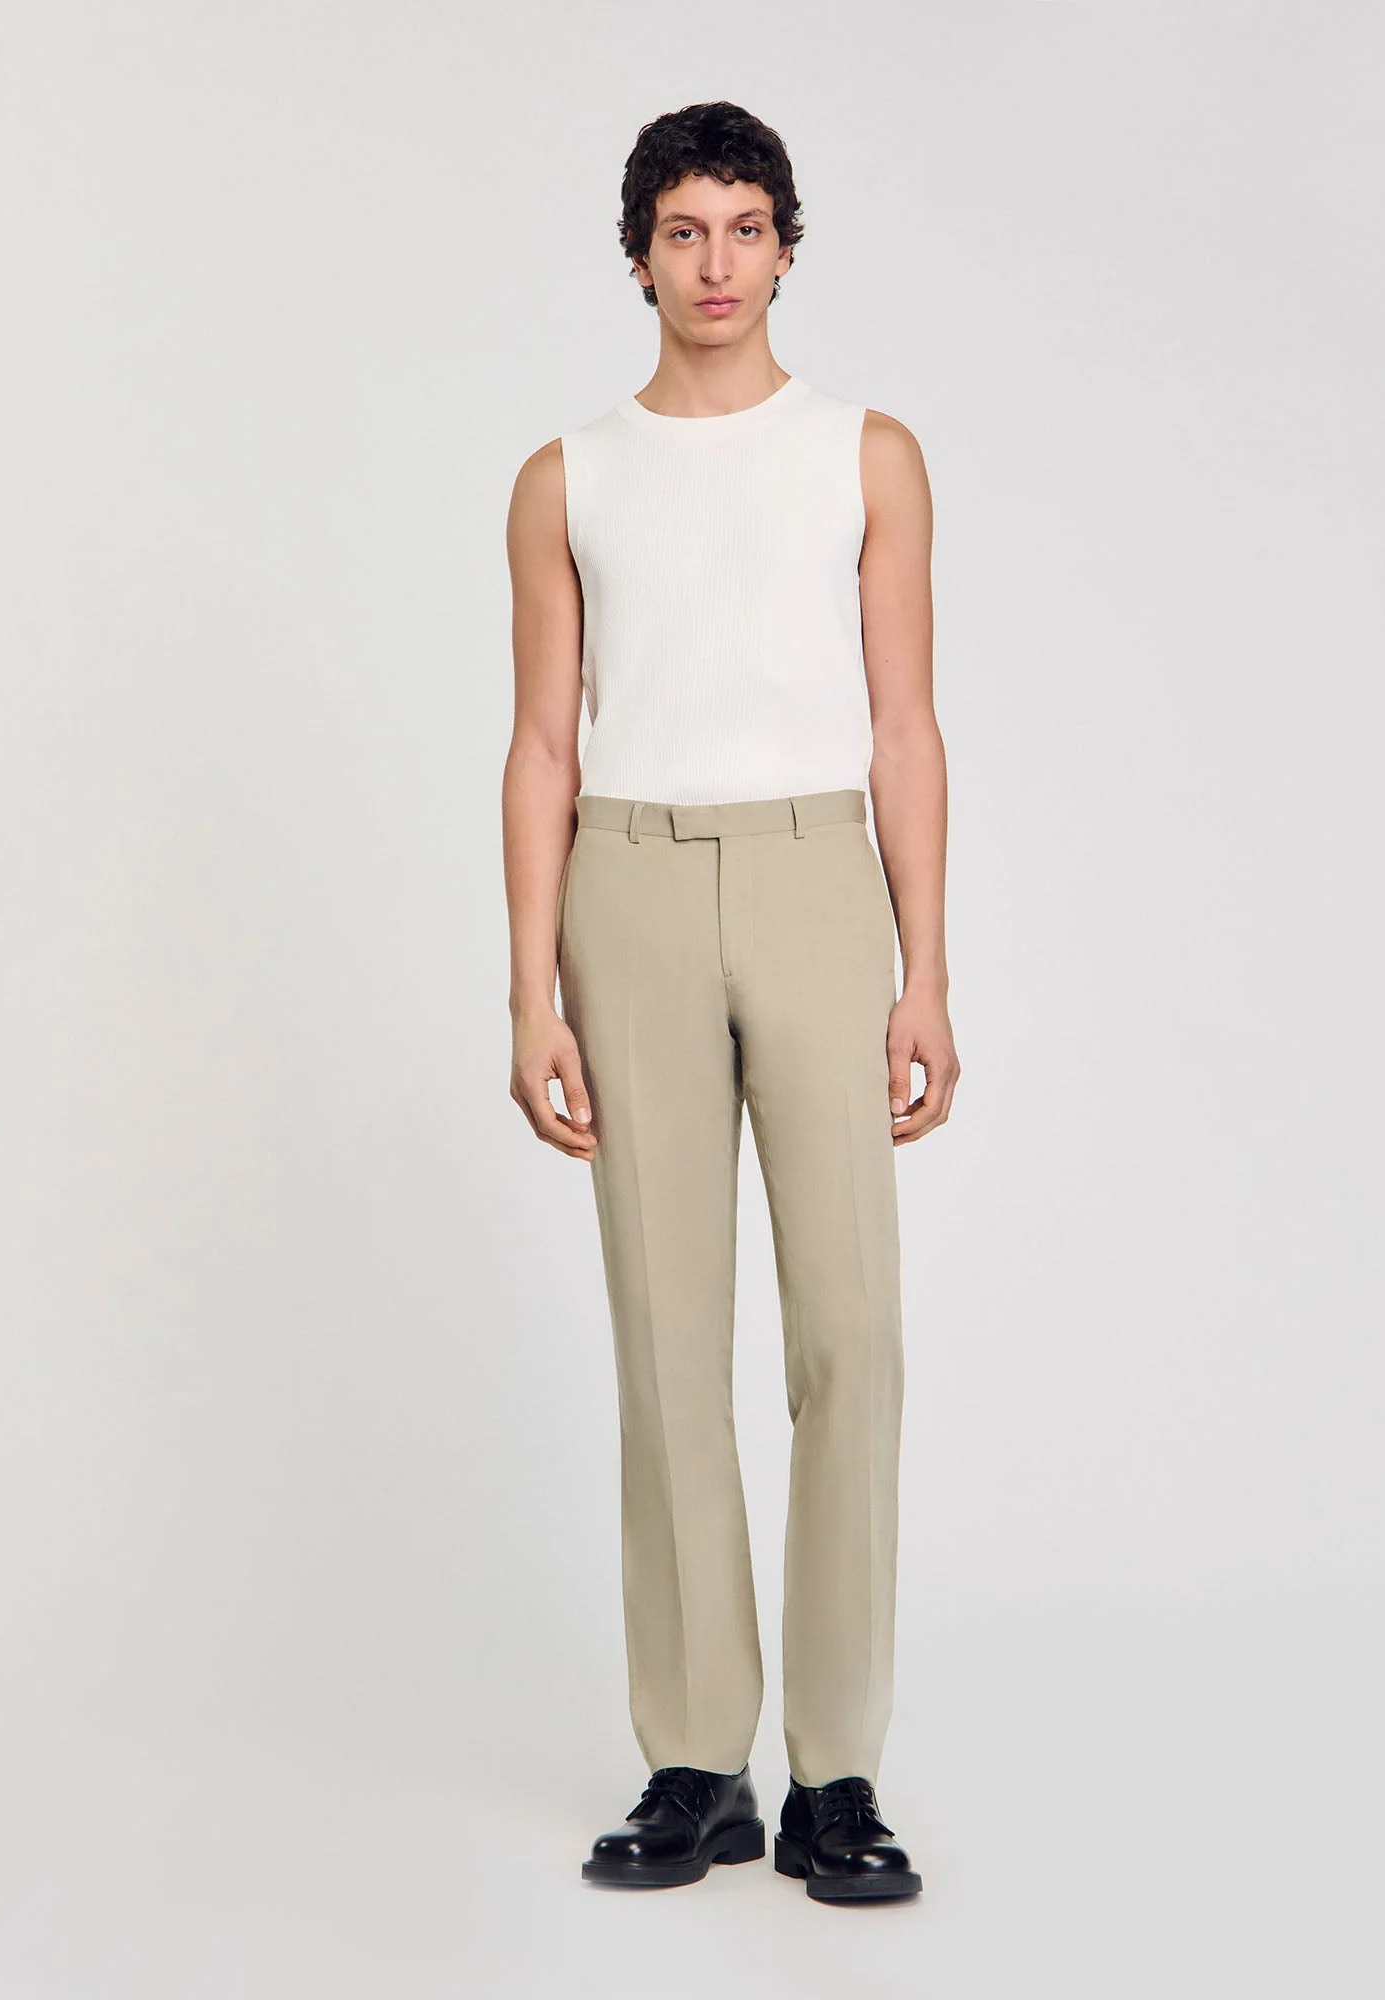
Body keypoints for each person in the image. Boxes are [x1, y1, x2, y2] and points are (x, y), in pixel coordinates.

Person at [501, 99, 956, 1904]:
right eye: (682, 230)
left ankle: (838, 1772)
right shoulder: (568, 476)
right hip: (624, 884)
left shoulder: (866, 455)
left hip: (815, 875)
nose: (715, 262)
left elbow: (905, 727)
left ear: (785, 247)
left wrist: (927, 970)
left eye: (744, 227)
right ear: (638, 258)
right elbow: (543, 744)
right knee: (667, 1338)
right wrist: (530, 990)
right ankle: (699, 1759)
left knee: (852, 1335)